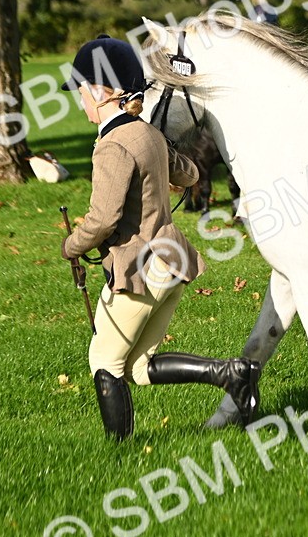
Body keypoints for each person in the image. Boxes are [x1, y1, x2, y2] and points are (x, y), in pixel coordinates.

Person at [59, 35, 260, 441]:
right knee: (137, 367)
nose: (80, 102)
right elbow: (190, 174)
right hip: (172, 261)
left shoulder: (113, 144)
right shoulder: (147, 133)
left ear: (102, 91)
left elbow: (103, 220)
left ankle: (119, 452)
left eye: (81, 91)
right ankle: (231, 373)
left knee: (104, 362)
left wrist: (71, 246)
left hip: (141, 267)